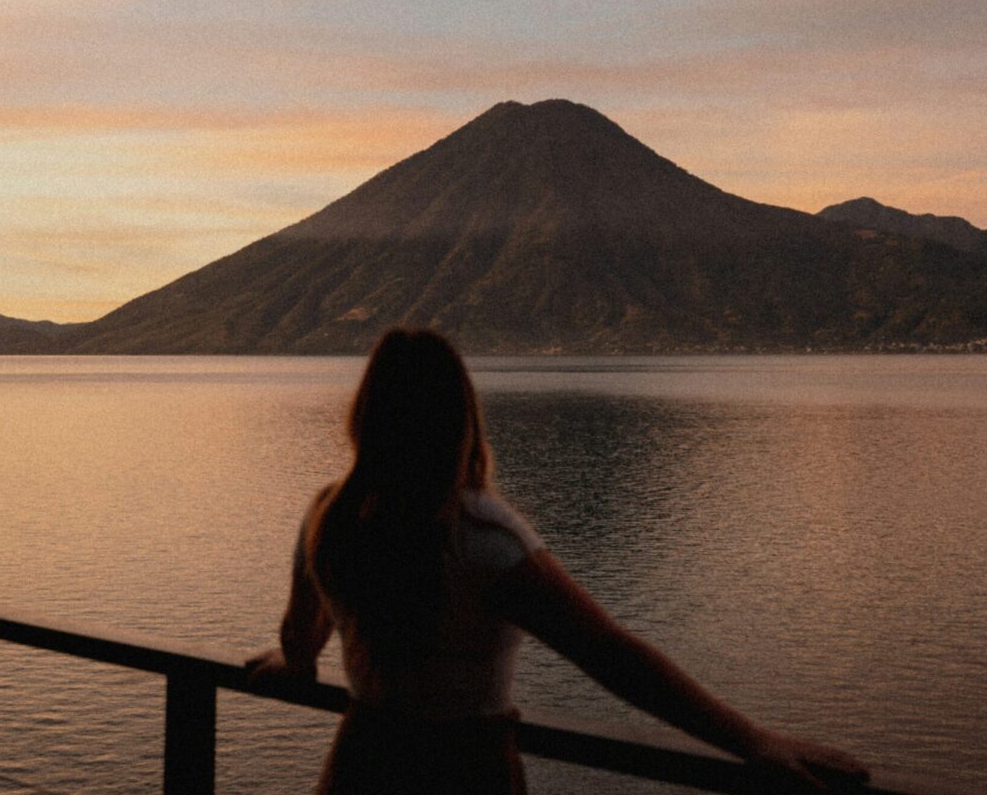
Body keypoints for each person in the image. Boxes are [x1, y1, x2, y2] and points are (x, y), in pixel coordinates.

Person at [248, 328, 868, 794]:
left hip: (362, 764)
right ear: (459, 417)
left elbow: (301, 646)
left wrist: (290, 660)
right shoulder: (486, 543)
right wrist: (752, 739)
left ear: (368, 416)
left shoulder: (328, 518)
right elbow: (614, 656)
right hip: (468, 774)